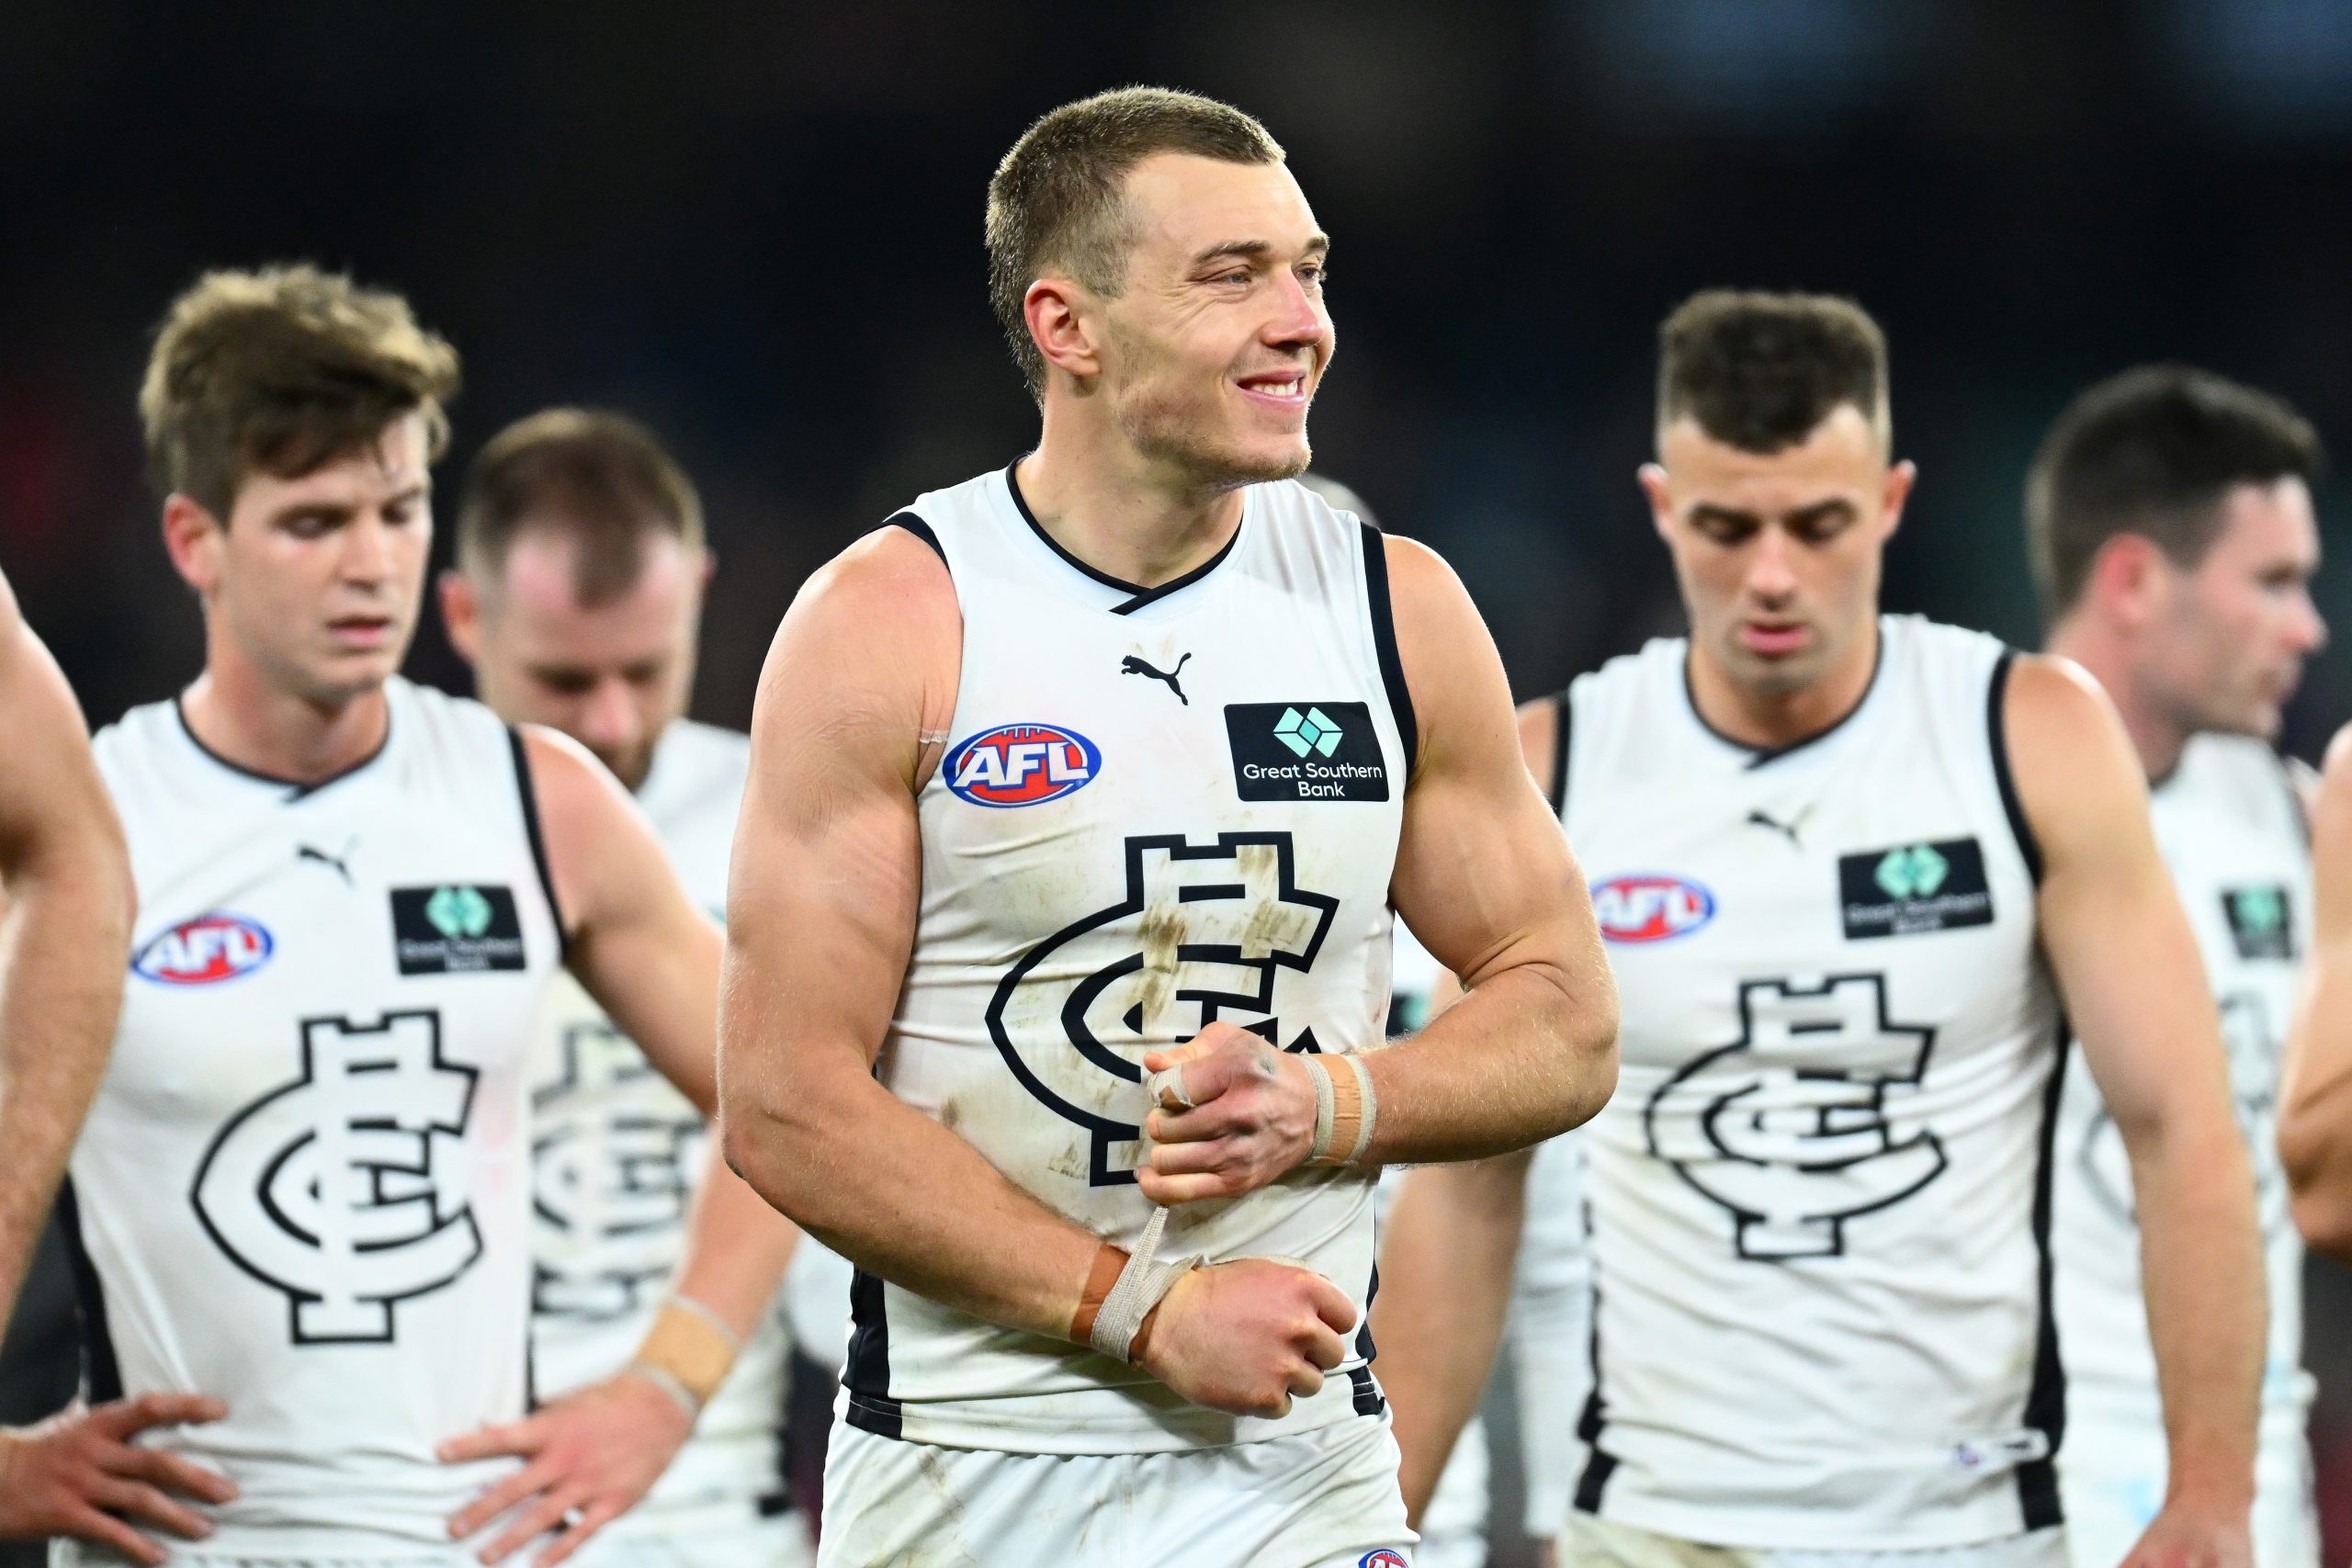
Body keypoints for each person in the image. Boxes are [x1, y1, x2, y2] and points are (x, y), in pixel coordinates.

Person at [715, 85, 1619, 1568]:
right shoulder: (892, 620)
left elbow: (1567, 1016)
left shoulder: (1394, 607)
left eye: (1308, 271)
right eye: (1231, 276)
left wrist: (1325, 1103)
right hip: (965, 1469)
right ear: (1067, 324)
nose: (1302, 323)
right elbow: (786, 1102)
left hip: (1297, 1473)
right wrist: (1144, 1311)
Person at [1374, 289, 2264, 1568]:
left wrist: (2213, 1492)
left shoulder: (2028, 739)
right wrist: (1385, 1520)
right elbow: (1466, 1195)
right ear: (1662, 505)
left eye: (1819, 523)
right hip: (1654, 1526)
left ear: (1891, 503)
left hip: (1967, 1528)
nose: (1773, 575)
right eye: (1727, 526)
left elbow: (2181, 1128)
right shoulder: (1556, 770)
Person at [7, 265, 795, 1567]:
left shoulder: (539, 802)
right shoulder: (86, 832)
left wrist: (665, 1386)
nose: (371, 563)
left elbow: (787, 1096)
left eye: (399, 509)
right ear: (194, 540)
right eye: (313, 523)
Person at [440, 407, 850, 1566]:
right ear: (464, 616)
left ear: (699, 594)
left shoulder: (794, 826)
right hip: (443, 1516)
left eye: (644, 670)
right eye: (564, 680)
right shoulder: (386, 837)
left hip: (715, 1511)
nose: (610, 722)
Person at [2029, 366, 2327, 1568]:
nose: (2307, 627)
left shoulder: (2292, 821)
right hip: (2019, 1468)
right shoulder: (1954, 815)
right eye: (2273, 581)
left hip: (2253, 1471)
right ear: (2134, 580)